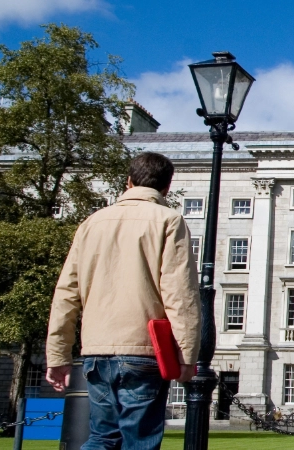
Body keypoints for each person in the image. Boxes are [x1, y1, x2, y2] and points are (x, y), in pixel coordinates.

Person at [45, 152, 200, 449]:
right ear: (166, 188)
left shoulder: (92, 223)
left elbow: (66, 294)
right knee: (139, 441)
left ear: (128, 182)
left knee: (103, 438)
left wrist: (58, 356)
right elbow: (180, 294)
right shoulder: (169, 220)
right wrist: (187, 355)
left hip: (95, 352)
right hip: (144, 351)